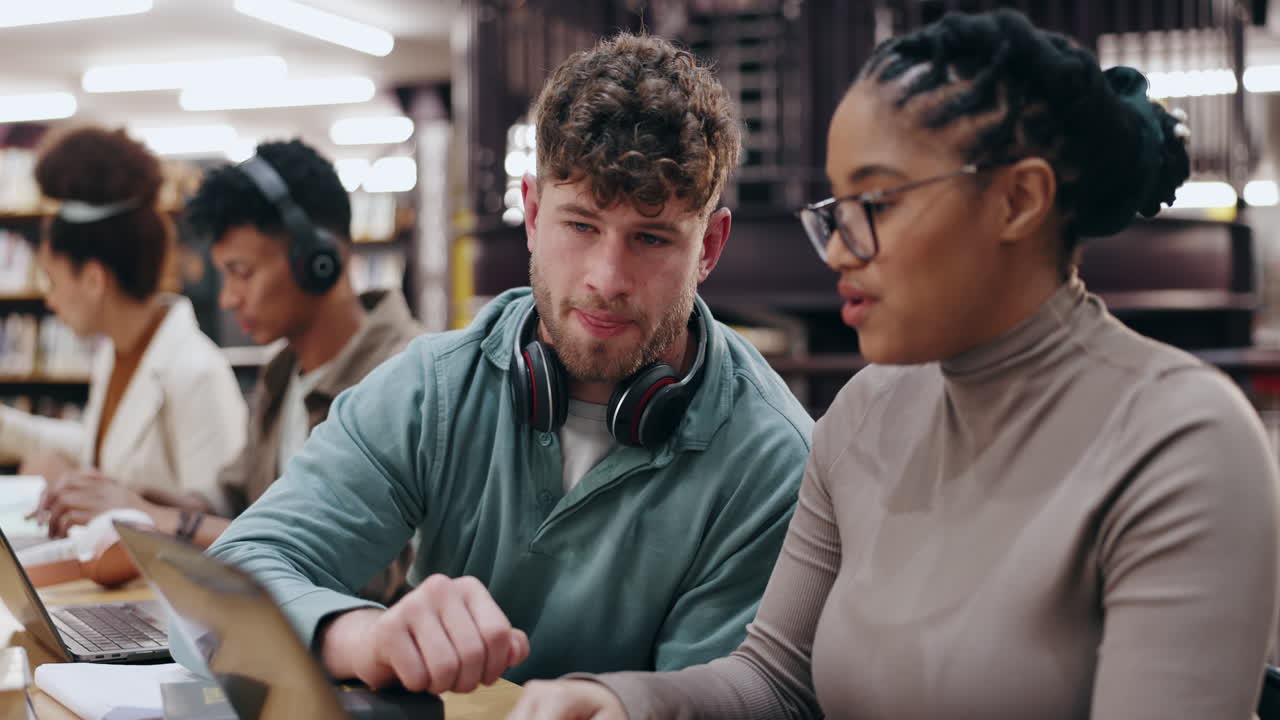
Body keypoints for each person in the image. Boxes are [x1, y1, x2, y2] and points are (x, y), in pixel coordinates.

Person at [507, 9, 1280, 720]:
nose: (841, 248)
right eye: (836, 211)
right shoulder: (862, 416)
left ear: (1018, 202)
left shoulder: (1182, 443)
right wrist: (617, 701)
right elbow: (775, 679)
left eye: (876, 204)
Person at [171, 32, 813, 693]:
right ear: (532, 214)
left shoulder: (772, 460)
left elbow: (727, 699)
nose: (606, 278)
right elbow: (220, 596)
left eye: (650, 239)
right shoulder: (434, 389)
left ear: (708, 246)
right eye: (581, 225)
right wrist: (361, 637)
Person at [36, 139, 422, 602]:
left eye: (241, 272)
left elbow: (360, 569)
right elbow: (233, 499)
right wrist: (129, 499)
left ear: (319, 259)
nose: (227, 298)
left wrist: (166, 523)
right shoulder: (284, 373)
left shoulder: (406, 375)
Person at [1, 126, 247, 534]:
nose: (50, 299)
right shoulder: (118, 353)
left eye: (52, 279)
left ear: (94, 280)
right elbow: (106, 452)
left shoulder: (195, 372)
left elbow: (222, 525)